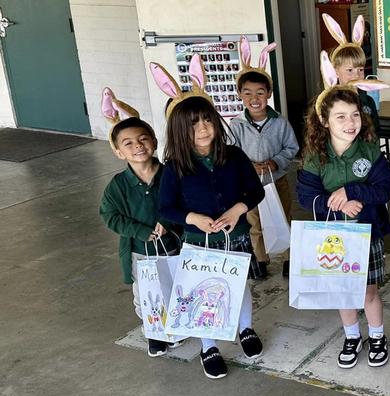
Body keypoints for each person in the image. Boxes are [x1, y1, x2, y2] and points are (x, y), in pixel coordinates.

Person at [152, 56, 265, 379]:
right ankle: (209, 346)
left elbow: (255, 192)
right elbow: (166, 208)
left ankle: (245, 329)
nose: (202, 128)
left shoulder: (233, 155)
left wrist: (238, 209)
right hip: (199, 243)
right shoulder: (174, 167)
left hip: (236, 237)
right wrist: (192, 218)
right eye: (193, 123)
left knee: (239, 286)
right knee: (203, 294)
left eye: (207, 120)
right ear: (178, 130)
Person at [297, 51, 390, 369]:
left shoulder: (369, 149)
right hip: (333, 237)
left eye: (354, 115)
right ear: (324, 121)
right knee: (343, 292)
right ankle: (352, 335)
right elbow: (305, 194)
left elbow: (384, 189)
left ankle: (377, 335)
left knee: (368, 292)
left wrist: (351, 190)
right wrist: (331, 202)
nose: (350, 123)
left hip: (367, 233)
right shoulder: (316, 156)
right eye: (340, 117)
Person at [98, 87, 182, 358]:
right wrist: (142, 231)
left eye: (143, 139)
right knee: (146, 296)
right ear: (119, 152)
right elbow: (110, 215)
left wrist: (169, 222)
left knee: (174, 288)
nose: (137, 146)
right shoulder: (118, 186)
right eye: (128, 143)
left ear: (154, 142)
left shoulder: (171, 174)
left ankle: (175, 328)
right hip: (139, 252)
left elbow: (185, 202)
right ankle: (154, 333)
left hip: (173, 247)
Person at [229, 37, 299, 278]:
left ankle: (289, 258)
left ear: (269, 93)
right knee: (255, 223)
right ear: (240, 94)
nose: (254, 98)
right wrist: (248, 166)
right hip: (248, 186)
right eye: (247, 93)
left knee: (282, 218)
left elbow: (292, 147)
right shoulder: (236, 125)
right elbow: (231, 153)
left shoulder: (279, 122)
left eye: (260, 92)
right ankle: (260, 260)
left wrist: (276, 161)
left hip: (276, 180)